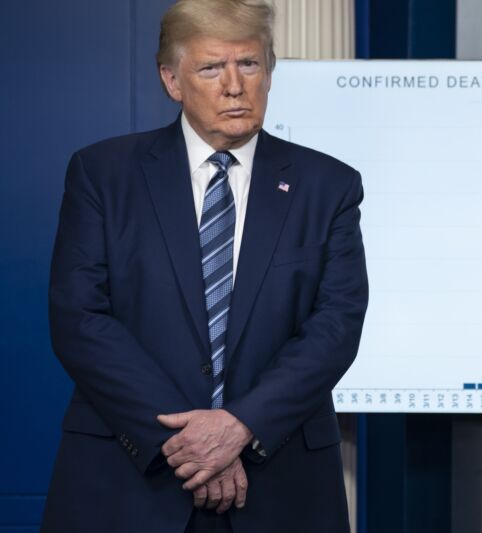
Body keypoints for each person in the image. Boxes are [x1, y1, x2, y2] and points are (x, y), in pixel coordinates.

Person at [42, 0, 368, 531]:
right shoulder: (102, 174)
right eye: (211, 68)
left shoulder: (327, 185)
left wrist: (240, 427)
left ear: (269, 70)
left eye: (250, 64)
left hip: (281, 480)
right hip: (130, 476)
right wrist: (190, 442)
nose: (234, 86)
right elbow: (80, 320)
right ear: (172, 80)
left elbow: (336, 325)